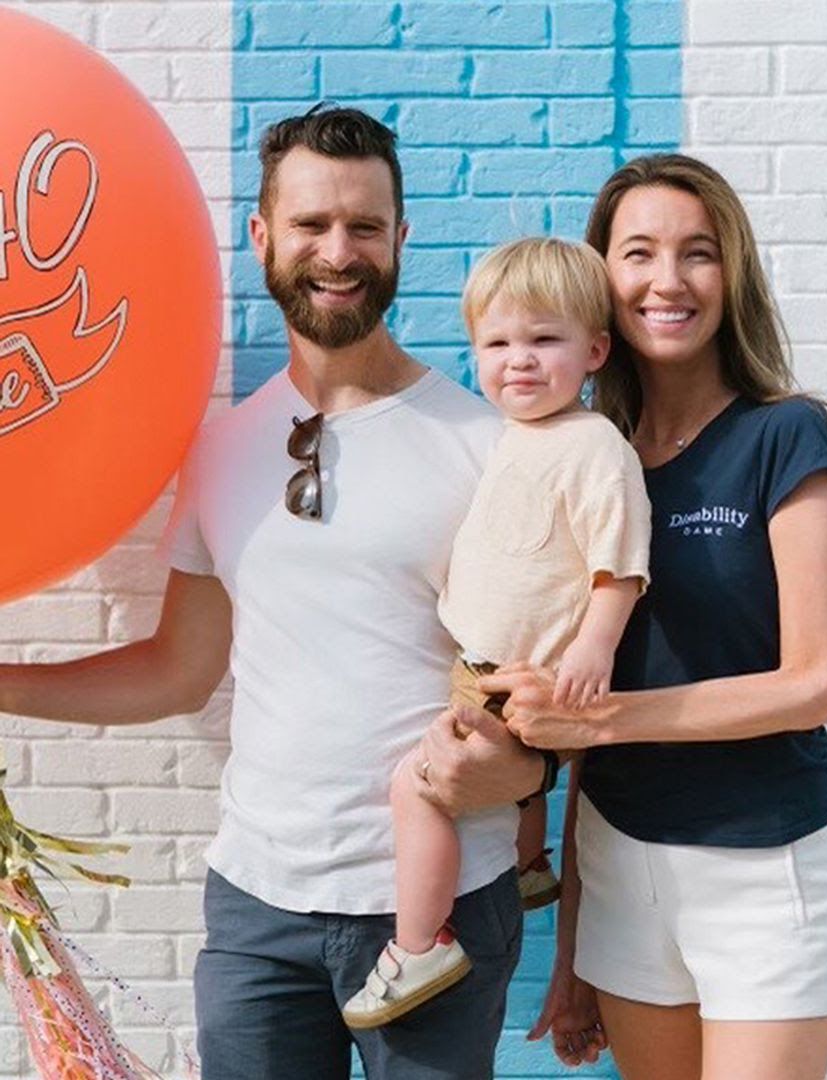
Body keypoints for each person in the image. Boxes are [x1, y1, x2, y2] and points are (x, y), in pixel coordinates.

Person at [0, 107, 547, 1078]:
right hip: (259, 913)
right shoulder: (221, 447)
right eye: (311, 225)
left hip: (436, 912)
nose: (338, 253)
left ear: (401, 241)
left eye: (365, 227)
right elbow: (179, 669)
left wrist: (515, 772)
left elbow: (539, 713)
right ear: (263, 237)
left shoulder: (487, 449)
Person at [476, 154, 827, 1080]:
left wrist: (599, 719)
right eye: (638, 253)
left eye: (698, 253)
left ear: (734, 273)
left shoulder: (785, 434)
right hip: (620, 866)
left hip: (764, 865)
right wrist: (571, 945)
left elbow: (812, 686)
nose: (667, 281)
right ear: (601, 278)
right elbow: (574, 729)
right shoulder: (579, 454)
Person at [342, 238, 651, 1029]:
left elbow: (619, 560)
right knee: (495, 791)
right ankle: (527, 864)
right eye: (498, 343)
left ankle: (418, 945)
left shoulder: (594, 447)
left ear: (595, 350)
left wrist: (594, 645)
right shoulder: (507, 437)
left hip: (524, 678)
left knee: (418, 788)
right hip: (479, 660)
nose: (520, 361)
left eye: (544, 340)